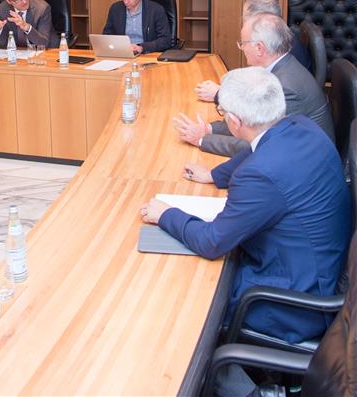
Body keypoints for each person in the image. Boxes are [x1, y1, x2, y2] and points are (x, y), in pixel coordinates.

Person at [141, 67, 351, 396]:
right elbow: (254, 151)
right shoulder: (300, 126)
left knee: (187, 301)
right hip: (321, 270)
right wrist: (215, 176)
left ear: (235, 121)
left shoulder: (260, 175)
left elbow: (212, 241)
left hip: (294, 301)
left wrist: (166, 214)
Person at [174, 13, 334, 157]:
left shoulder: (284, 87)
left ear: (259, 48)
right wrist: (209, 129)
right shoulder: (283, 66)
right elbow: (251, 121)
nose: (241, 48)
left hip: (306, 163)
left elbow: (259, 144)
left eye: (243, 43)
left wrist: (202, 139)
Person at [195, 0, 313, 103]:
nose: (243, 21)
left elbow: (260, 107)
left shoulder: (285, 79)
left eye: (245, 17)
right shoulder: (280, 39)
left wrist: (219, 94)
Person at [102, 0, 172, 54]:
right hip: (121, 53)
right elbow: (107, 36)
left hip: (147, 54)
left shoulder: (156, 10)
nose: (125, 1)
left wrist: (142, 48)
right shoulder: (115, 9)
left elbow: (165, 40)